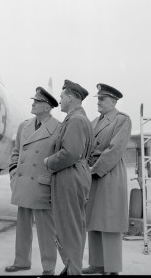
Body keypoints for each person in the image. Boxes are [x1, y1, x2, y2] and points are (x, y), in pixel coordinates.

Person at [5, 87, 60, 276]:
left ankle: (49, 267)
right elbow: (16, 152)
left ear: (47, 107)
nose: (33, 104)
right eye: (33, 100)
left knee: (46, 230)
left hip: (43, 184)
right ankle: (21, 262)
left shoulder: (58, 128)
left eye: (37, 101)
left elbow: (61, 158)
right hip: (22, 183)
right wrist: (13, 173)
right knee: (22, 226)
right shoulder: (24, 126)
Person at [44, 80, 94, 275]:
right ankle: (71, 267)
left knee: (69, 227)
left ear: (71, 98)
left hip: (69, 175)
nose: (60, 100)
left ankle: (73, 270)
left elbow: (71, 153)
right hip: (73, 174)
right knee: (71, 225)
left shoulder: (76, 120)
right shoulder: (77, 118)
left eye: (62, 96)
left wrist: (49, 161)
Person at [83, 83, 132, 275]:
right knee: (93, 220)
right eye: (98, 99)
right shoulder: (95, 121)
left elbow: (115, 149)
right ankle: (97, 264)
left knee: (109, 221)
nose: (99, 102)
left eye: (102, 99)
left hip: (109, 173)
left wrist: (94, 169)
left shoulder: (122, 120)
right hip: (92, 173)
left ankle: (112, 268)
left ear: (113, 101)